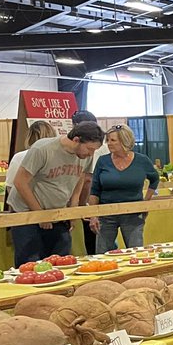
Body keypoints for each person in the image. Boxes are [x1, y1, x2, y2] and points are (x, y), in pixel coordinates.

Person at [7, 121, 103, 266]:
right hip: (27, 214)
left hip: (57, 213)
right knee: (30, 263)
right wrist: (39, 214)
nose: (91, 154)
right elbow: (20, 182)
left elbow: (81, 178)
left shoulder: (86, 156)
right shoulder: (43, 149)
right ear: (76, 140)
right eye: (89, 149)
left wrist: (73, 207)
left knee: (61, 262)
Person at [87, 124, 160, 252]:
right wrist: (93, 215)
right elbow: (95, 190)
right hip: (106, 214)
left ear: (124, 141)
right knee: (103, 254)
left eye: (113, 140)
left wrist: (146, 202)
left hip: (133, 214)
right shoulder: (103, 161)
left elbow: (154, 179)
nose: (108, 143)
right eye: (107, 140)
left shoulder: (142, 160)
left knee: (136, 252)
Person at [71, 109, 106, 255]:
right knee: (103, 239)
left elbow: (87, 179)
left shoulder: (90, 148)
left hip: (91, 202)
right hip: (103, 200)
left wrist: (82, 206)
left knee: (95, 244)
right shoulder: (102, 147)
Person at [4, 120, 56, 210]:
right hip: (51, 209)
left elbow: (10, 185)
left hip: (24, 210)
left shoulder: (19, 157)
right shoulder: (57, 157)